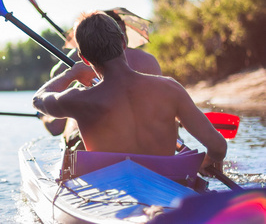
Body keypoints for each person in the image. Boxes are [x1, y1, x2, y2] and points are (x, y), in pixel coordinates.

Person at [32, 11, 227, 175]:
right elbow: (218, 147)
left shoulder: (80, 100)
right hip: (168, 182)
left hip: (111, 191)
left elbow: (38, 100)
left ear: (84, 58)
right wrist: (205, 163)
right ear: (124, 42)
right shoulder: (170, 89)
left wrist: (71, 73)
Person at [40, 9, 161, 141]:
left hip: (97, 138)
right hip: (147, 135)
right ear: (123, 38)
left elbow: (53, 77)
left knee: (55, 123)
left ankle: (46, 117)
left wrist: (74, 70)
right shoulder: (151, 62)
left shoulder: (79, 89)